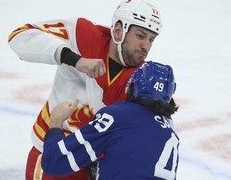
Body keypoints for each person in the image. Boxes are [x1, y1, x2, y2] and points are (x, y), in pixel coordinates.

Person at [8, 0, 163, 180]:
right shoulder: (82, 34)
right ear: (119, 30)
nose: (146, 46)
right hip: (53, 153)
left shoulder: (142, 78)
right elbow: (20, 36)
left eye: (151, 39)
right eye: (140, 36)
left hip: (93, 166)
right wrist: (75, 60)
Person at [42, 61, 179, 180]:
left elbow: (54, 162)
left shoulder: (119, 115)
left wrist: (56, 121)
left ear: (133, 85)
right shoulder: (169, 129)